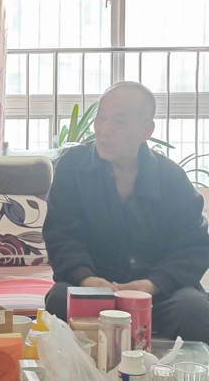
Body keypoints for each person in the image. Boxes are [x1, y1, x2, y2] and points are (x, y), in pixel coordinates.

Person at [43, 81, 209, 343]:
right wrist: (86, 278)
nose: (104, 129)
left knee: (196, 310)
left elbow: (194, 246)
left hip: (157, 294)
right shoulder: (73, 167)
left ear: (146, 130)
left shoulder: (170, 176)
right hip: (94, 288)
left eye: (119, 122)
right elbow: (61, 233)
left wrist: (152, 284)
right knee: (58, 300)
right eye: (101, 117)